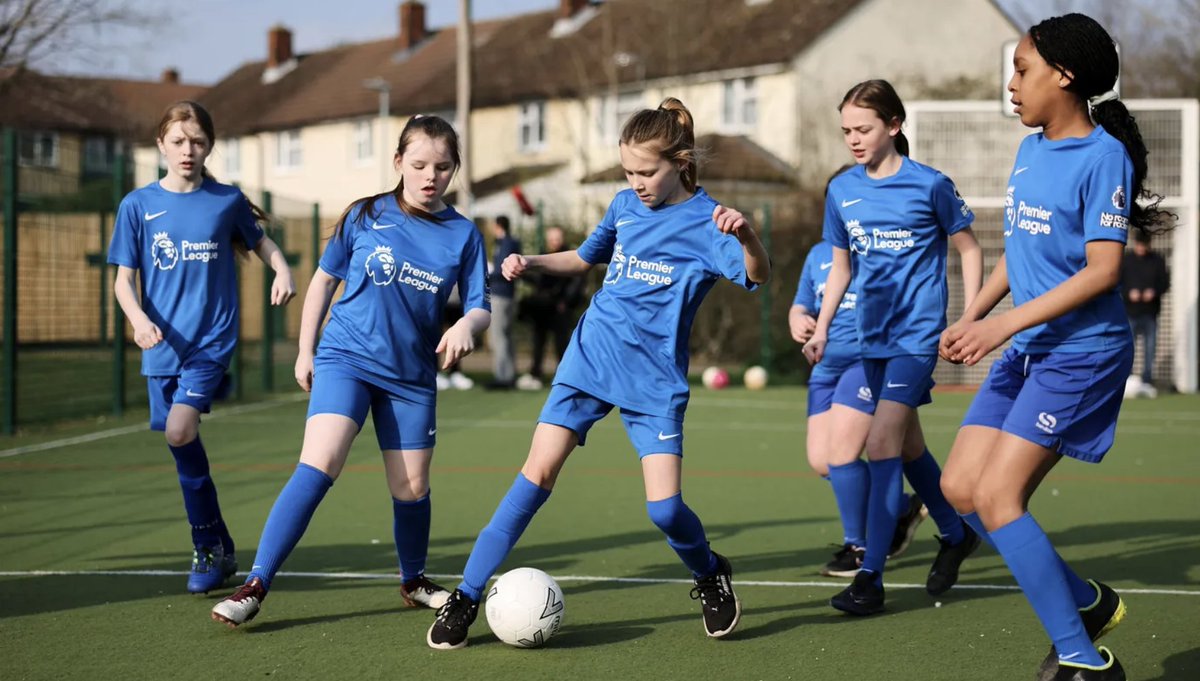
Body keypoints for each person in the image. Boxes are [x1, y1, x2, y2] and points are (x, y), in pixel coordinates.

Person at [426, 97, 770, 649]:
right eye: (627, 171)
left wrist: (747, 235)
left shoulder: (709, 222)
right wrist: (532, 261)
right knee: (534, 477)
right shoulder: (623, 206)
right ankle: (466, 597)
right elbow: (585, 259)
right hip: (589, 360)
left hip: (654, 382)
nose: (635, 182)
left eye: (646, 172)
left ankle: (709, 571)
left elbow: (758, 273)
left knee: (664, 510)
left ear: (679, 162)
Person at [939, 14, 1169, 681]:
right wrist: (972, 313)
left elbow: (1102, 270)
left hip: (1082, 353)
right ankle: (1088, 602)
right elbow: (1021, 248)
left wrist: (999, 327)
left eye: (1021, 70)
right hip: (1029, 348)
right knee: (959, 489)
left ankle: (1084, 659)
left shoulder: (1104, 156)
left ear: (1064, 76)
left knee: (1000, 498)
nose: (1011, 86)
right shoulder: (1031, 147)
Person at [210, 114, 491, 627]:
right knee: (320, 463)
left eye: (443, 166)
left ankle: (412, 580)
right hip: (347, 358)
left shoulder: (464, 235)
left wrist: (467, 326)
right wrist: (305, 350)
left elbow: (479, 304)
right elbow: (321, 283)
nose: (431, 176)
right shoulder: (365, 214)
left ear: (455, 170)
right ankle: (255, 585)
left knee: (411, 487)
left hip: (411, 378)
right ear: (399, 162)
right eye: (420, 163)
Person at [803, 79, 984, 616]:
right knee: (906, 449)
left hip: (917, 338)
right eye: (846, 132)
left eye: (863, 129)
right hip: (869, 341)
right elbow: (840, 268)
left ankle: (870, 577)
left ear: (894, 126)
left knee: (880, 444)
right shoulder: (842, 192)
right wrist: (822, 327)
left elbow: (969, 249)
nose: (853, 140)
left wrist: (971, 317)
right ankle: (955, 533)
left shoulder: (930, 185)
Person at [108, 101, 296, 594]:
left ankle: (206, 546)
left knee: (179, 429)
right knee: (181, 446)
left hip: (211, 341)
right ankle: (222, 542)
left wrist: (283, 270)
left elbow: (263, 244)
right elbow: (123, 282)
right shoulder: (138, 205)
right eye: (178, 141)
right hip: (160, 344)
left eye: (197, 142)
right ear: (161, 146)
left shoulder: (226, 200)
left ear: (209, 146)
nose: (188, 150)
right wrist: (138, 320)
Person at [792, 236, 927, 578]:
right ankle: (901, 506)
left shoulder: (882, 250)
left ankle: (859, 547)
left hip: (867, 363)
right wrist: (797, 318)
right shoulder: (817, 253)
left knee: (843, 455)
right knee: (822, 462)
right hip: (825, 366)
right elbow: (801, 304)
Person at [516, 226, 585, 390]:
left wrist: (566, 302)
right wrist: (524, 273)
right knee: (538, 341)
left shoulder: (570, 256)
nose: (554, 242)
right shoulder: (543, 255)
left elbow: (577, 282)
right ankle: (535, 374)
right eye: (552, 238)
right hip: (543, 308)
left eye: (557, 238)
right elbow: (540, 281)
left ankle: (565, 377)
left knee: (562, 343)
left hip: (560, 308)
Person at [1121, 230, 1168, 397]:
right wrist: (1129, 293)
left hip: (1150, 312)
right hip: (1130, 312)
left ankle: (1147, 382)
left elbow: (1164, 283)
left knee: (1150, 348)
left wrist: (1153, 292)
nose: (1142, 248)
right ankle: (1128, 381)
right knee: (1129, 348)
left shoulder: (1157, 260)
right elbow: (1118, 283)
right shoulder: (1126, 260)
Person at [486, 215, 520, 389]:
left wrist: (485, 275)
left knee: (498, 336)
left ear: (498, 225)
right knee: (505, 335)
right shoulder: (508, 243)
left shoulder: (506, 243)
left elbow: (502, 269)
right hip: (507, 294)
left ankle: (503, 376)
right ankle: (509, 374)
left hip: (501, 294)